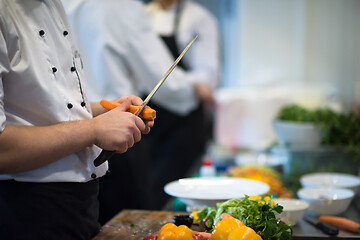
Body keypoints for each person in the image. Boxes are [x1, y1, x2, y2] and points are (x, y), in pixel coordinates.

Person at [0, 0, 154, 239]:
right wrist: (93, 129)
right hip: (25, 211)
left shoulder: (53, 5)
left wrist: (106, 112)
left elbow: (54, 108)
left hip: (80, 204)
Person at [62, 0, 219, 222]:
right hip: (119, 135)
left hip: (68, 134)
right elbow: (166, 81)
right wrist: (194, 89)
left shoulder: (57, 4)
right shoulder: (124, 6)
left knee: (95, 225)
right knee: (129, 224)